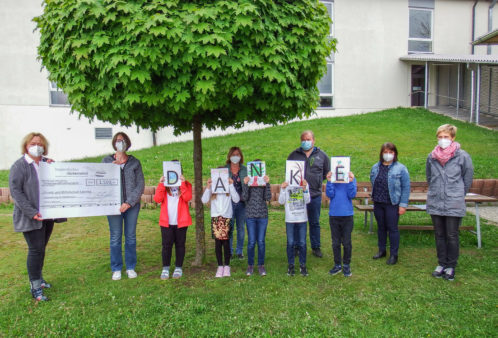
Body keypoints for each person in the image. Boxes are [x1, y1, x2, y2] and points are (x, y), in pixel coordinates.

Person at [9, 132, 55, 301]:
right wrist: (31, 212)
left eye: (40, 143)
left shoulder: (46, 164)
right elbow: (16, 192)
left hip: (47, 215)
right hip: (31, 217)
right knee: (35, 250)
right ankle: (35, 286)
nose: (37, 146)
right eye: (33, 143)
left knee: (41, 248)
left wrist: (54, 168)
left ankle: (40, 279)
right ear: (26, 146)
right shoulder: (19, 166)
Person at [426, 124, 473, 281]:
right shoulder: (431, 157)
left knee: (452, 235)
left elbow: (467, 179)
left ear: (452, 138)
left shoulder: (462, 156)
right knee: (439, 234)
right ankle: (441, 263)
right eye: (440, 137)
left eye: (446, 137)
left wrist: (457, 193)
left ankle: (451, 266)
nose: (442, 140)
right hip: (436, 201)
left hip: (454, 202)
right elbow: (429, 177)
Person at [102, 132, 145, 280]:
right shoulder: (106, 161)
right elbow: (99, 180)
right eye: (118, 140)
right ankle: (116, 268)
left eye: (123, 140)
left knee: (131, 236)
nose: (120, 143)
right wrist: (110, 169)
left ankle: (131, 267)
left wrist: (129, 202)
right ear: (114, 143)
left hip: (131, 206)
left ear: (127, 143)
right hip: (113, 206)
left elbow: (140, 185)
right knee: (115, 236)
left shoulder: (134, 162)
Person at [287, 130, 330, 258]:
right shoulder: (293, 155)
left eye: (308, 139)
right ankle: (295, 246)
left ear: (313, 140)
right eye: (304, 139)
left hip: (314, 195)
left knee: (314, 222)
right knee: (297, 222)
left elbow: (326, 173)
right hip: (298, 195)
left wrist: (315, 182)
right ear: (301, 141)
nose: (306, 141)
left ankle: (316, 247)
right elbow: (288, 173)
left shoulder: (322, 156)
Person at [370, 142, 410, 265]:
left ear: (395, 154)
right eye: (385, 152)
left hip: (392, 203)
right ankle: (382, 250)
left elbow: (406, 187)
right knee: (381, 227)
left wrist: (403, 205)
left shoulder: (401, 168)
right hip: (378, 202)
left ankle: (394, 254)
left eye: (391, 152)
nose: (388, 155)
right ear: (381, 154)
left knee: (392, 229)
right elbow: (373, 182)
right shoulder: (375, 167)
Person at [154, 163, 192, 280]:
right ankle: (165, 268)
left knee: (180, 245)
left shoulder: (186, 185)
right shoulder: (164, 186)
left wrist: (182, 184)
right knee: (166, 245)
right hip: (167, 222)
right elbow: (157, 199)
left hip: (181, 221)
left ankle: (178, 267)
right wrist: (161, 184)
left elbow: (187, 198)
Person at [201, 175, 240, 277]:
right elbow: (204, 200)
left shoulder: (228, 189)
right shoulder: (213, 190)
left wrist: (231, 185)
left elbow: (236, 199)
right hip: (216, 217)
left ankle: (227, 266)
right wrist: (208, 187)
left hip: (226, 217)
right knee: (218, 243)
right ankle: (220, 266)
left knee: (226, 243)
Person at [242, 164, 271, 276]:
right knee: (251, 242)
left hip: (262, 215)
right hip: (250, 215)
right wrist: (245, 185)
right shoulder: (249, 183)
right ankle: (250, 265)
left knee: (261, 242)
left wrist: (267, 183)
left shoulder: (263, 183)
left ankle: (261, 265)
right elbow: (244, 198)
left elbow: (268, 197)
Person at [326, 171, 357, 277]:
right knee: (335, 242)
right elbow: (329, 194)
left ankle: (347, 264)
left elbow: (352, 195)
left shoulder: (350, 179)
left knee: (347, 242)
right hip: (334, 214)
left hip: (347, 215)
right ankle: (337, 264)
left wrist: (351, 182)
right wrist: (329, 182)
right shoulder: (332, 179)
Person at [279, 179, 311, 276]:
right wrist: (283, 189)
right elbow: (281, 201)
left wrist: (305, 189)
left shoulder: (304, 183)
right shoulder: (285, 183)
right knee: (290, 243)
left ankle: (303, 265)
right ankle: (291, 265)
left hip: (302, 218)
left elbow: (308, 200)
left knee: (302, 243)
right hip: (290, 219)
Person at [225, 147, 247, 259]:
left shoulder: (245, 169)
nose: (235, 156)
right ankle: (229, 251)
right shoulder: (225, 169)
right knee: (230, 227)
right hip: (228, 202)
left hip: (242, 203)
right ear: (229, 156)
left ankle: (239, 251)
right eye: (233, 154)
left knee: (241, 228)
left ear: (240, 156)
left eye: (238, 154)